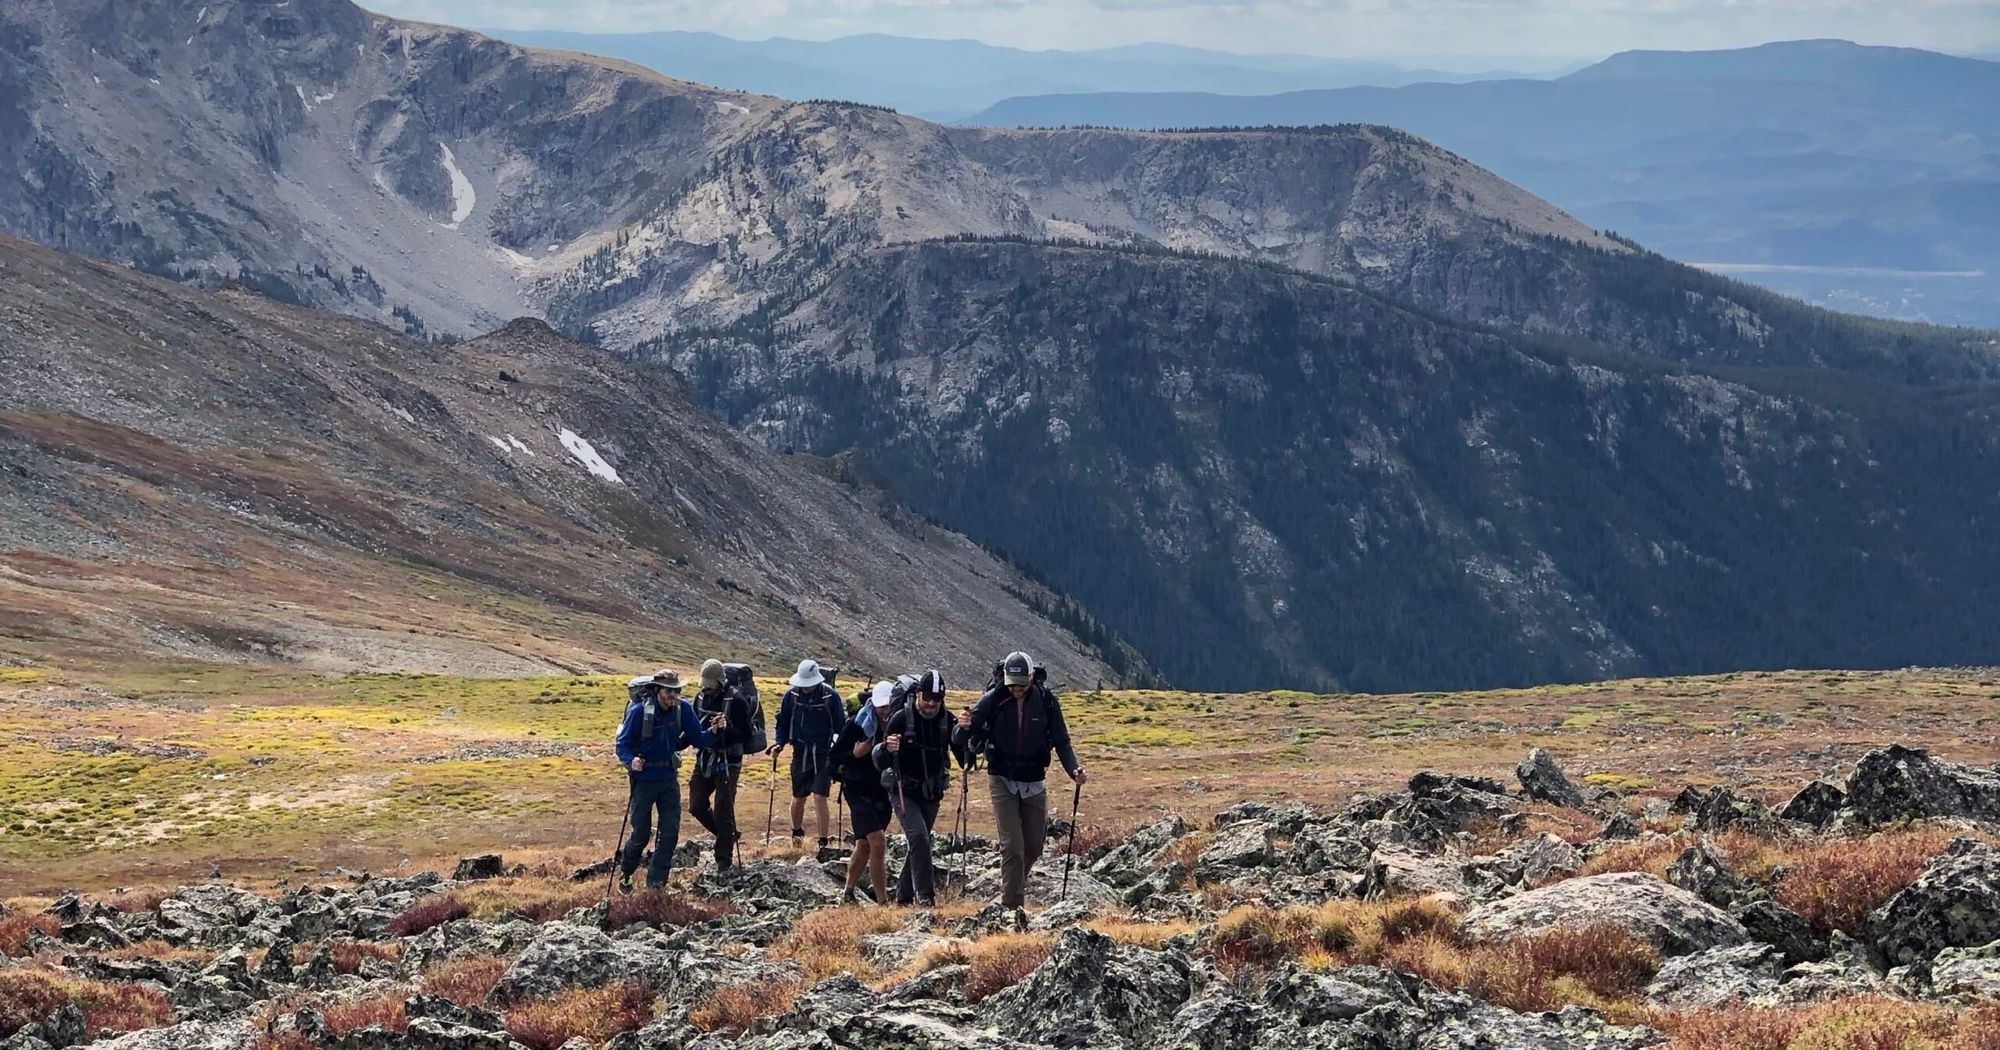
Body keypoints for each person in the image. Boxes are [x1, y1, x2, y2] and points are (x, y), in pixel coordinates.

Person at [956, 651, 1086, 917]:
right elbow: (961, 738)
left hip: (1035, 780)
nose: (1015, 689)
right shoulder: (994, 699)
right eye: (1011, 684)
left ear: (1031, 678)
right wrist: (963, 726)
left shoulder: (1046, 701)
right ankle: (1012, 908)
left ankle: (1011, 886)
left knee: (1034, 847)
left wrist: (1074, 770)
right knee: (1013, 845)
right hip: (1001, 778)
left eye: (1020, 684)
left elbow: (1062, 741)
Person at [612, 669, 717, 892]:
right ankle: (627, 874)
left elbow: (698, 738)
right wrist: (632, 762)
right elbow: (622, 745)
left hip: (669, 779)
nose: (674, 695)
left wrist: (715, 731)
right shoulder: (639, 712)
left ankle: (656, 887)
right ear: (658, 690)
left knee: (669, 835)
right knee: (640, 835)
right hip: (643, 780)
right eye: (669, 690)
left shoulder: (683, 710)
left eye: (677, 690)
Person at [875, 670, 968, 906]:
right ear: (918, 694)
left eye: (936, 699)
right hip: (902, 790)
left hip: (932, 792)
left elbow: (963, 757)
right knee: (918, 837)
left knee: (919, 842)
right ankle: (925, 897)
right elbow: (879, 761)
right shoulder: (900, 718)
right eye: (927, 697)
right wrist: (887, 748)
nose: (931, 704)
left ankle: (903, 899)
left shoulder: (947, 721)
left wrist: (966, 734)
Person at [770, 659, 847, 848]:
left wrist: (840, 752)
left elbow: (841, 726)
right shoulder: (792, 696)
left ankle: (823, 841)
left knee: (820, 796)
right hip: (801, 751)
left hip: (823, 752)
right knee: (799, 796)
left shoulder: (831, 696)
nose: (805, 688)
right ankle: (796, 834)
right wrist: (779, 744)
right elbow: (784, 723)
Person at [688, 659, 754, 870]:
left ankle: (723, 861)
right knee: (696, 805)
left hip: (728, 762)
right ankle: (728, 835)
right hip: (704, 759)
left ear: (719, 680)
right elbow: (692, 728)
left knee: (723, 810)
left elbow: (746, 735)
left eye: (709, 683)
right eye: (704, 683)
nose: (706, 687)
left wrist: (726, 729)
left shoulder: (736, 700)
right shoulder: (699, 699)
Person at [835, 682, 896, 903]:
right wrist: (855, 754)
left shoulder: (897, 724)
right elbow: (834, 756)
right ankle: (883, 902)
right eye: (881, 706)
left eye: (888, 705)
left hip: (881, 790)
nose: (885, 710)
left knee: (864, 844)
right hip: (857, 789)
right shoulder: (857, 725)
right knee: (878, 842)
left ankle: (848, 892)